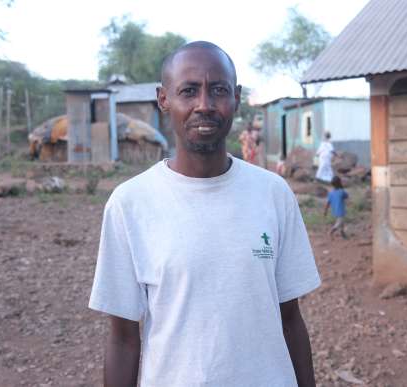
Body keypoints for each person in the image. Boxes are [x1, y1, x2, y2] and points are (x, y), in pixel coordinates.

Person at [89, 41, 321, 387]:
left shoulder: (273, 194)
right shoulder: (130, 204)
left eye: (218, 90)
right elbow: (123, 338)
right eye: (188, 91)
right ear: (163, 99)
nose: (204, 105)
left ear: (236, 98)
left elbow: (290, 319)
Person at [324, 175, 349, 240]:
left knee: (341, 223)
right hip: (340, 210)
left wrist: (325, 211)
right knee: (339, 223)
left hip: (334, 211)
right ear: (340, 183)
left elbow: (328, 203)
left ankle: (343, 235)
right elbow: (346, 196)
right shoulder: (341, 191)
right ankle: (331, 232)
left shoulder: (331, 193)